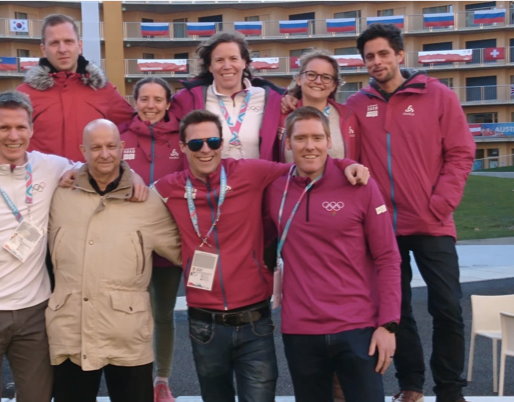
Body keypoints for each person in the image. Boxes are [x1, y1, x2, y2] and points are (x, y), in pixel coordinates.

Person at [285, 24, 474, 402]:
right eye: (369, 56)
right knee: (396, 309)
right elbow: (333, 139)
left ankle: (450, 390)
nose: (376, 62)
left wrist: (440, 203)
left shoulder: (438, 95)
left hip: (432, 220)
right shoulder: (357, 105)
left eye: (383, 53)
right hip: (382, 223)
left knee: (448, 307)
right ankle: (411, 384)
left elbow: (461, 152)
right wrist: (290, 99)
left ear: (400, 54)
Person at [0, 91, 146, 401]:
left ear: (31, 129)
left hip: (35, 312)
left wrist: (133, 176)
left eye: (20, 127)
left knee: (39, 396)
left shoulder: (50, 166)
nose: (13, 136)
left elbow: (102, 163)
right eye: (4, 128)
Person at [152, 110, 368, 402]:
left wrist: (345, 163)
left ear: (222, 143)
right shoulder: (168, 187)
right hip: (204, 323)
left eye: (212, 142)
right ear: (182, 147)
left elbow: (304, 166)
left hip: (254, 320)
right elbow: (135, 202)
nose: (205, 150)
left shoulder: (249, 171)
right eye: (195, 144)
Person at [263, 107, 401, 402]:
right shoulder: (275, 188)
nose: (309, 146)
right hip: (300, 329)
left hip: (357, 326)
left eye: (317, 138)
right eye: (300, 138)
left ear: (329, 141)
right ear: (288, 143)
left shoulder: (359, 184)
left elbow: (388, 257)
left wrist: (388, 324)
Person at [48, 119, 182, 402]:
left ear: (122, 148)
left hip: (127, 337)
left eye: (111, 146)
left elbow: (184, 253)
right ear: (82, 151)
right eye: (96, 147)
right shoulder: (59, 196)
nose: (105, 154)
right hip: (71, 334)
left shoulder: (146, 202)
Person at [119, 77, 183, 402]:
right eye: (144, 99)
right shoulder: (121, 138)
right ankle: (137, 376)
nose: (151, 105)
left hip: (170, 242)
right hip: (130, 243)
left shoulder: (182, 138)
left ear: (168, 104)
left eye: (158, 99)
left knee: (163, 315)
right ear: (135, 102)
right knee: (132, 314)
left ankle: (162, 380)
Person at [17, 14, 133, 162]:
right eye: (54, 43)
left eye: (68, 41)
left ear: (79, 45)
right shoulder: (24, 95)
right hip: (41, 177)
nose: (62, 49)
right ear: (43, 49)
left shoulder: (103, 90)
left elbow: (134, 127)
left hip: (90, 177)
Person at [170, 31, 286, 162]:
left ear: (244, 62)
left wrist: (294, 94)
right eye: (219, 60)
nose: (227, 66)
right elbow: (160, 130)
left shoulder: (272, 98)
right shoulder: (187, 99)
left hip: (260, 175)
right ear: (210, 66)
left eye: (233, 59)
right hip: (210, 175)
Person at [281, 49, 359, 163]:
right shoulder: (283, 113)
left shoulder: (348, 116)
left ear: (333, 86)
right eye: (311, 74)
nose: (318, 81)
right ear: (299, 79)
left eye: (326, 77)